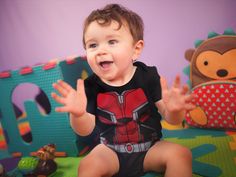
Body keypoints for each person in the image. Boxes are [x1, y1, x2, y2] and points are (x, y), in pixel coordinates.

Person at [51, 4, 195, 177]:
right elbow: (85, 130)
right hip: (110, 151)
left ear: (136, 49)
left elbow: (171, 118)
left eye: (112, 42)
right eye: (93, 45)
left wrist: (175, 111)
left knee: (181, 155)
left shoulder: (148, 76)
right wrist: (78, 114)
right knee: (87, 166)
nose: (101, 51)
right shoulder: (89, 87)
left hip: (150, 148)